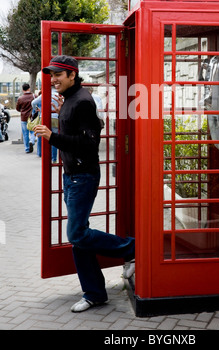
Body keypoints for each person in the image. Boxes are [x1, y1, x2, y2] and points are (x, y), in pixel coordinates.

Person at [34, 55, 135, 313]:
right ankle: (94, 293)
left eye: (58, 74)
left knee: (77, 234)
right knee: (81, 238)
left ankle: (132, 248)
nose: (53, 79)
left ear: (72, 75)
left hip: (83, 175)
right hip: (71, 175)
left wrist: (51, 137)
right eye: (51, 75)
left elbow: (90, 143)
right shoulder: (69, 99)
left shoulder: (83, 101)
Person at [31, 88, 59, 161]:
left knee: (41, 136)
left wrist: (37, 109)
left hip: (44, 117)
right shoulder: (59, 94)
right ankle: (54, 158)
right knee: (54, 138)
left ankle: (41, 154)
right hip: (55, 117)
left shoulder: (45, 94)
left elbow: (33, 103)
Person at [16, 83, 35, 153]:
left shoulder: (20, 98)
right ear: (29, 88)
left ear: (23, 89)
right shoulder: (34, 96)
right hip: (32, 117)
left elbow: (18, 109)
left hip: (23, 118)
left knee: (25, 134)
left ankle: (27, 149)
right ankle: (32, 141)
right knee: (33, 131)